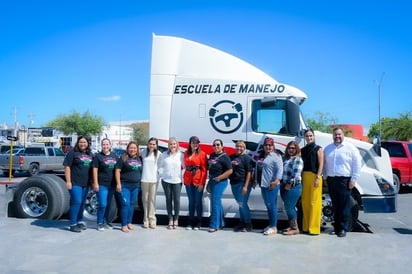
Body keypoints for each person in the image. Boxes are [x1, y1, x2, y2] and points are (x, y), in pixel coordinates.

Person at [323, 127, 362, 237]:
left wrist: (353, 179)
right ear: (332, 136)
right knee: (335, 205)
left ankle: (343, 228)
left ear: (343, 135)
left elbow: (357, 165)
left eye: (339, 134)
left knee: (344, 206)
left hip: (345, 180)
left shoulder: (351, 148)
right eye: (335, 135)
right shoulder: (328, 148)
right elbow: (325, 164)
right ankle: (337, 227)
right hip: (331, 180)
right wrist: (325, 177)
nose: (337, 136)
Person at [63, 136, 93, 233]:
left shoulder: (90, 154)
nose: (82, 144)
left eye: (84, 142)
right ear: (77, 143)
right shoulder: (72, 153)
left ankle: (79, 221)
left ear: (87, 143)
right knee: (77, 202)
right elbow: (67, 167)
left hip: (86, 183)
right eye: (80, 142)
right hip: (75, 182)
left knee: (82, 203)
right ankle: (73, 224)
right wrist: (68, 181)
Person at [255, 137, 283, 236]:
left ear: (273, 146)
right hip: (263, 184)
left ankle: (274, 227)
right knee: (268, 205)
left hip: (272, 185)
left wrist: (276, 181)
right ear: (263, 146)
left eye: (270, 145)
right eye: (266, 145)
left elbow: (280, 170)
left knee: (272, 206)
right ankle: (271, 224)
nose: (268, 147)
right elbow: (258, 169)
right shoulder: (262, 156)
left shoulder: (276, 156)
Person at [115, 141, 142, 232]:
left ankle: (129, 222)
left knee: (131, 205)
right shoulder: (123, 158)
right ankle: (124, 224)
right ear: (127, 149)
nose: (132, 150)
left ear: (137, 149)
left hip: (135, 186)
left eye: (134, 148)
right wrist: (118, 184)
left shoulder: (139, 159)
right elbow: (117, 171)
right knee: (125, 205)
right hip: (124, 185)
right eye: (131, 148)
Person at [301, 129, 324, 235]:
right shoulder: (302, 150)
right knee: (305, 202)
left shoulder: (318, 149)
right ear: (304, 138)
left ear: (314, 136)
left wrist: (318, 177)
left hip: (315, 176)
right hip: (305, 176)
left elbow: (321, 164)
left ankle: (314, 228)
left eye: (311, 136)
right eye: (307, 136)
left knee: (314, 203)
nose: (309, 138)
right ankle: (306, 227)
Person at [92, 138, 118, 231]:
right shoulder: (98, 156)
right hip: (102, 184)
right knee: (102, 204)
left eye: (107, 144)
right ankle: (99, 222)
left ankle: (106, 222)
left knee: (108, 204)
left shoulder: (114, 155)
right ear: (101, 146)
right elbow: (94, 170)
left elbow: (117, 169)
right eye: (104, 144)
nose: (105, 146)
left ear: (110, 146)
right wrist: (95, 183)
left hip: (112, 184)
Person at [207, 139, 233, 233]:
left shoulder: (225, 157)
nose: (216, 146)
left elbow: (230, 171)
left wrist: (220, 177)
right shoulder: (212, 155)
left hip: (221, 182)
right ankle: (221, 223)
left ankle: (214, 225)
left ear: (222, 146)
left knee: (215, 202)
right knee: (217, 202)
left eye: (218, 145)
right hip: (213, 180)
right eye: (214, 145)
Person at [158, 137, 184, 229]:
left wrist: (182, 177)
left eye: (174, 144)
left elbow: (184, 167)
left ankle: (176, 219)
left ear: (177, 145)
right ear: (168, 146)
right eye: (171, 144)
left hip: (177, 181)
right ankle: (170, 219)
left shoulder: (181, 155)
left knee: (176, 200)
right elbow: (160, 166)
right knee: (168, 200)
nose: (173, 145)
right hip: (166, 181)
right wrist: (162, 175)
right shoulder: (164, 155)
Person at [183, 136, 208, 230]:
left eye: (197, 142)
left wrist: (202, 183)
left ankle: (199, 222)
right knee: (191, 202)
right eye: (193, 142)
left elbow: (204, 170)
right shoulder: (186, 153)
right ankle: (190, 222)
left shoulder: (202, 154)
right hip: (188, 180)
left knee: (198, 202)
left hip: (198, 180)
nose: (195, 144)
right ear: (190, 143)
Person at [280, 141, 303, 236]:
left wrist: (289, 184)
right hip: (284, 185)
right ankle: (291, 225)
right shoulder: (285, 159)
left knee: (290, 207)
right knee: (287, 207)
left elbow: (297, 175)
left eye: (293, 148)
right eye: (289, 148)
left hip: (293, 186)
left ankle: (295, 228)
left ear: (296, 149)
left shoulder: (297, 159)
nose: (291, 150)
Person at [229, 140, 253, 232]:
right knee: (240, 204)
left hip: (243, 183)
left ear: (244, 148)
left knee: (242, 203)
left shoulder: (246, 158)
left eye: (241, 147)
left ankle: (248, 224)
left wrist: (245, 186)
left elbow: (249, 172)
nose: (239, 148)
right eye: (237, 146)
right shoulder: (231, 157)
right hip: (233, 184)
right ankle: (242, 223)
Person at [141, 137, 160, 229]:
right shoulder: (143, 152)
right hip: (144, 179)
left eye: (153, 144)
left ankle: (152, 220)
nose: (152, 145)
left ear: (156, 145)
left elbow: (162, 166)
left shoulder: (159, 154)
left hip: (154, 180)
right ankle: (145, 220)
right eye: (150, 144)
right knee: (145, 200)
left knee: (152, 200)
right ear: (148, 144)